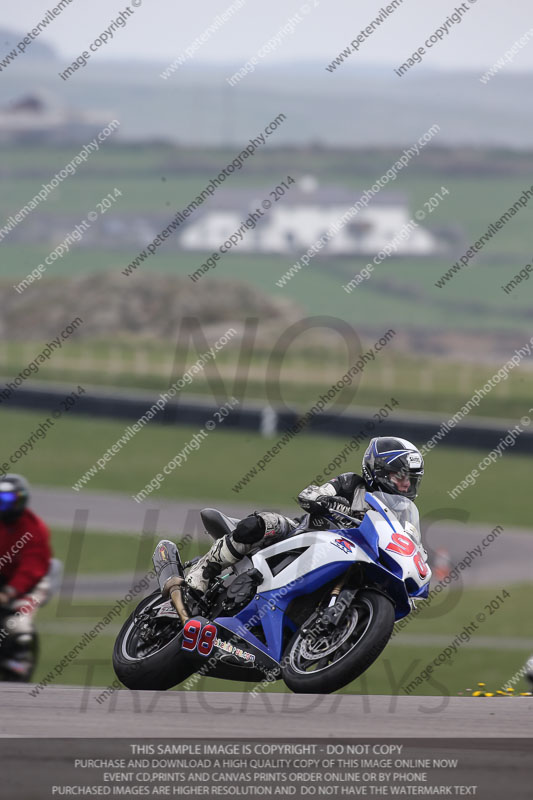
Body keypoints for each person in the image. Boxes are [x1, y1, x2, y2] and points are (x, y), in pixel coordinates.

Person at [185, 436, 426, 594]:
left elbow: (410, 545)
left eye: (411, 480)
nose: (406, 486)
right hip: (304, 535)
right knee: (261, 524)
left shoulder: (402, 513)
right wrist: (324, 500)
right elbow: (311, 494)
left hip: (350, 562)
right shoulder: (351, 483)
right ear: (379, 471)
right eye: (400, 477)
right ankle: (204, 571)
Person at [0, 474, 52, 681]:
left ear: (20, 500)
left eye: (8, 501)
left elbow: (32, 567)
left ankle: (18, 661)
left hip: (32, 583)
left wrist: (10, 592)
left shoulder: (34, 529)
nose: (3, 506)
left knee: (19, 624)